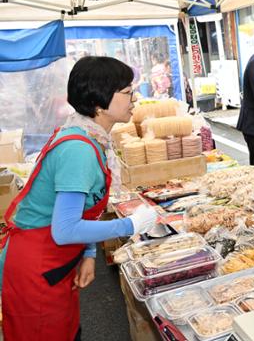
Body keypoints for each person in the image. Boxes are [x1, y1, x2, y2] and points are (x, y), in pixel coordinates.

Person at [0, 56, 159, 340]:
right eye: (126, 92)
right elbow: (66, 229)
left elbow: (81, 211)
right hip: (36, 268)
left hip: (56, 263)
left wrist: (87, 253)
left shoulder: (90, 137)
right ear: (99, 103)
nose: (135, 98)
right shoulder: (79, 149)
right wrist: (130, 225)